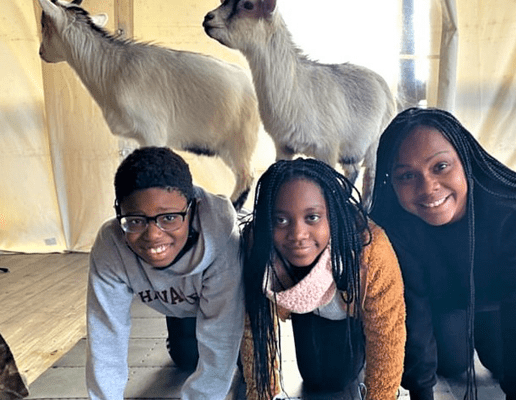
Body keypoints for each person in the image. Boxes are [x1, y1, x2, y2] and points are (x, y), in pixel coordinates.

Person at [370, 107, 516, 400]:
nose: (428, 188)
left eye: (440, 167)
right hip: (444, 302)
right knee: (448, 365)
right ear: (392, 182)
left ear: (465, 160)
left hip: (502, 302)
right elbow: (412, 311)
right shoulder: (396, 224)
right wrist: (420, 389)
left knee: (506, 364)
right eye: (407, 176)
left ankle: (484, 328)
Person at [240, 158, 406, 400]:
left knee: (337, 378)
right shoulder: (258, 245)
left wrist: (380, 395)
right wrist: (263, 393)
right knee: (316, 378)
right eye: (281, 220)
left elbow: (387, 333)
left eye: (313, 217)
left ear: (332, 216)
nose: (298, 235)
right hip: (305, 309)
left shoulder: (371, 250)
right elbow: (254, 328)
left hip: (350, 315)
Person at [86, 147, 244, 400]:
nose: (153, 235)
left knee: (235, 360)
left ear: (193, 209)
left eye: (169, 217)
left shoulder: (223, 239)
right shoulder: (111, 245)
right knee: (186, 358)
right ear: (119, 212)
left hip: (236, 309)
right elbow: (106, 334)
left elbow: (220, 334)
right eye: (136, 220)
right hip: (177, 304)